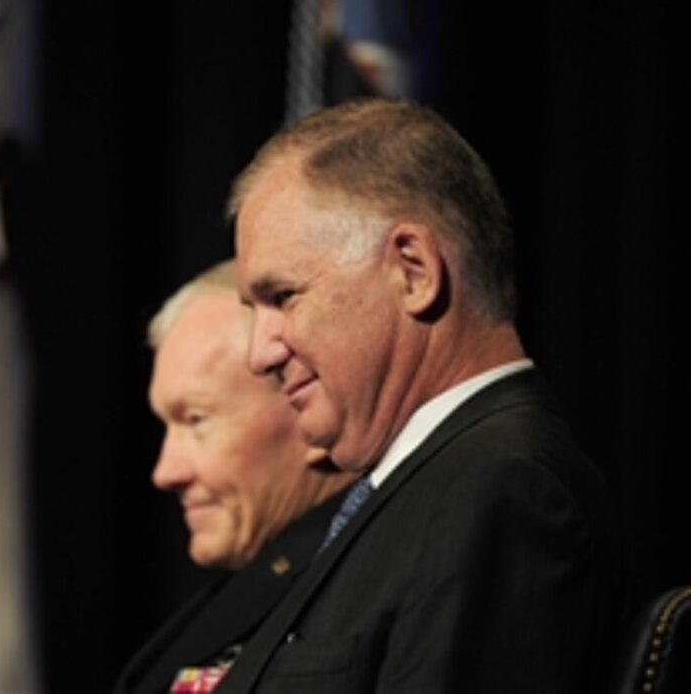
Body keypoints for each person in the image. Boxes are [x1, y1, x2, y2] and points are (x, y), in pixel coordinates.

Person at [215, 97, 628, 694]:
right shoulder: (422, 488)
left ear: (413, 272)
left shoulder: (501, 492)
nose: (261, 353)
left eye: (283, 296)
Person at [114, 259, 358, 694]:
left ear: (311, 410)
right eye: (166, 425)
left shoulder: (365, 594)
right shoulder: (255, 590)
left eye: (197, 419)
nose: (165, 473)